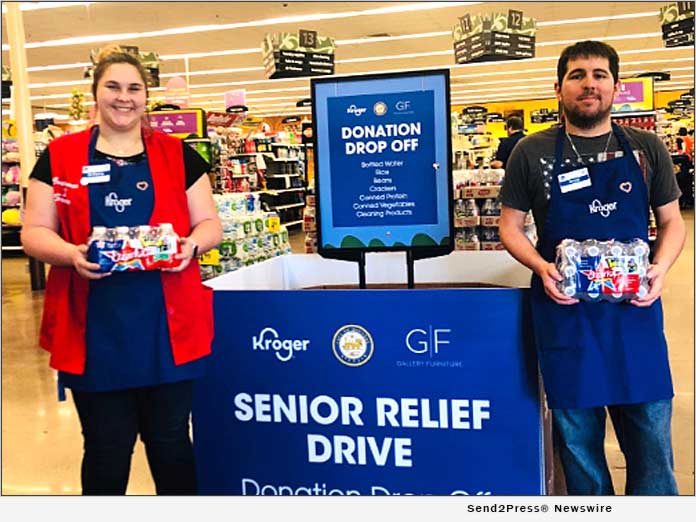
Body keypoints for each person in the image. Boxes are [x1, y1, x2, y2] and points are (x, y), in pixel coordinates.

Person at [21, 45, 222, 495]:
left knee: (170, 442)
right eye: (112, 86)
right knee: (107, 448)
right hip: (93, 328)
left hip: (168, 328)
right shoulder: (59, 155)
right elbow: (33, 231)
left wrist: (192, 244)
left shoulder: (179, 155)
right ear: (95, 92)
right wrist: (71, 254)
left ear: (146, 96)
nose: (123, 97)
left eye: (134, 88)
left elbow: (210, 223)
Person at [498, 41, 685, 495]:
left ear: (616, 87)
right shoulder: (531, 151)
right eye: (577, 75)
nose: (589, 84)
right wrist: (542, 267)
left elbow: (672, 222)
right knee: (579, 448)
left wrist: (659, 269)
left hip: (634, 315)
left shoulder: (645, 148)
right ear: (558, 87)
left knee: (652, 446)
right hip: (566, 317)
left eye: (600, 75)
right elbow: (510, 227)